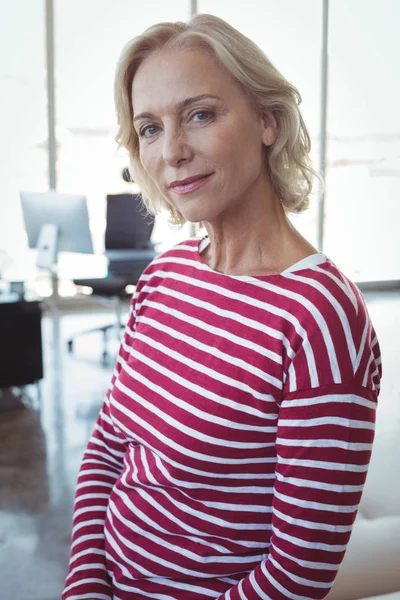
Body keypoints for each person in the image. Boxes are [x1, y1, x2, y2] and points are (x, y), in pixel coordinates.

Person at [62, 13, 382, 600]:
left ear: (267, 121)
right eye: (150, 128)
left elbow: (297, 575)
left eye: (200, 115)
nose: (173, 152)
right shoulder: (166, 274)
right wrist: (85, 582)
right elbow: (108, 448)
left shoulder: (320, 314)